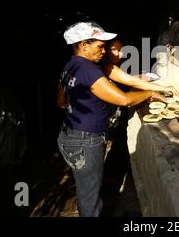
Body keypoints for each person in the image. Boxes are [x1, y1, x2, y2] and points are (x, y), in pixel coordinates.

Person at [56, 21, 169, 217]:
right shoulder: (88, 70)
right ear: (84, 45)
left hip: (71, 136)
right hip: (85, 141)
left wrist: (162, 88)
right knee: (90, 198)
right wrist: (149, 93)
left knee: (87, 189)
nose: (104, 50)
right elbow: (124, 99)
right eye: (100, 46)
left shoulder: (72, 65)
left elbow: (61, 102)